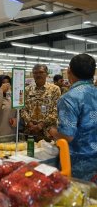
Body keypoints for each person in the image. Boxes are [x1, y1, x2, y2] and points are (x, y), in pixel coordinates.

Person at [49, 54, 97, 182]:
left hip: (79, 163)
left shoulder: (69, 98)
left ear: (69, 71)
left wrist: (53, 132)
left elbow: (67, 136)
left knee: (78, 198)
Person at [21, 64, 61, 141]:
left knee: (49, 152)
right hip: (30, 131)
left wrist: (41, 125)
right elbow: (23, 109)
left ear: (47, 74)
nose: (38, 75)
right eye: (35, 73)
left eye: (41, 72)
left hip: (48, 132)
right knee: (30, 152)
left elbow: (56, 110)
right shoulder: (27, 90)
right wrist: (30, 124)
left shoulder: (54, 89)